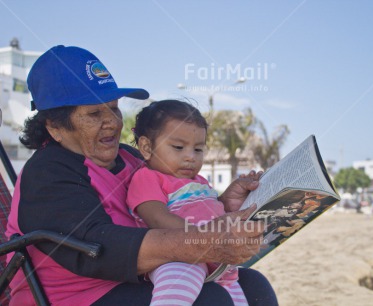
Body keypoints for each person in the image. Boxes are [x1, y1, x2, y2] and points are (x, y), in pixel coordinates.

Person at [5, 45, 278, 305]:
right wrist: (202, 242)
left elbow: (176, 203)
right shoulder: (47, 172)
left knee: (254, 285)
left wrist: (224, 204)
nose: (112, 121)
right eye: (94, 113)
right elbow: (98, 248)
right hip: (75, 296)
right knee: (210, 300)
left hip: (141, 278)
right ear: (55, 127)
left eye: (113, 107)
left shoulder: (131, 157)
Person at [126, 100, 249, 306]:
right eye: (178, 147)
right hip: (177, 259)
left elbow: (209, 213)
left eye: (198, 150)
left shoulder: (199, 182)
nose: (190, 157)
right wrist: (202, 239)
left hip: (217, 261)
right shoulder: (147, 177)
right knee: (175, 296)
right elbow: (157, 218)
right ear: (146, 147)